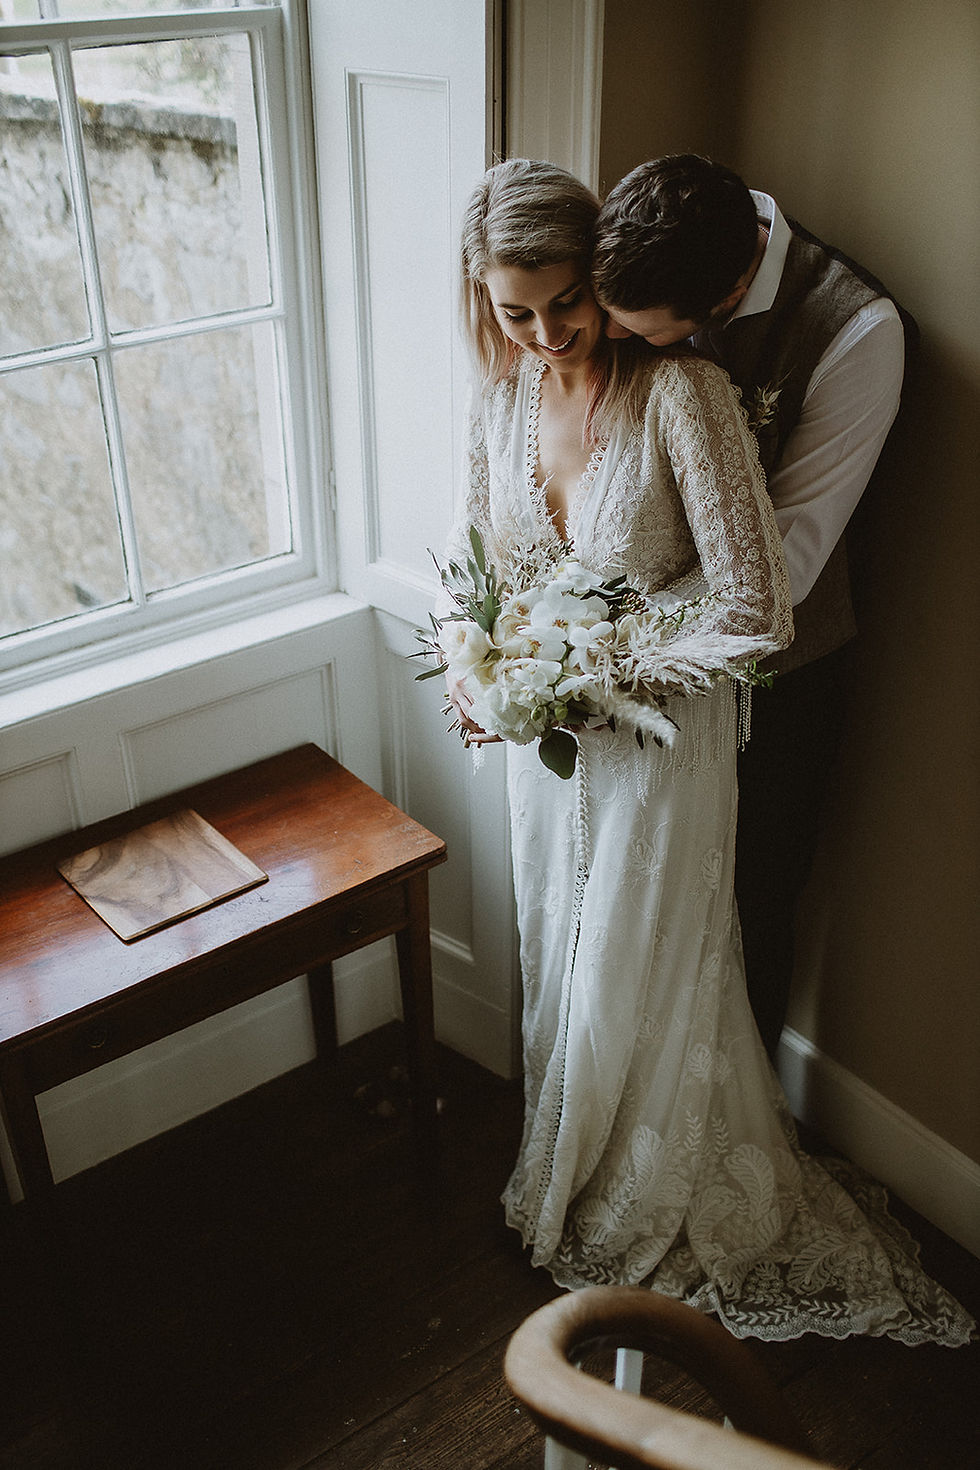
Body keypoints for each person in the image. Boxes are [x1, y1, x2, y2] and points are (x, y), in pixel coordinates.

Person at [438, 158, 973, 1347]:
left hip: (665, 731)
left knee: (651, 957)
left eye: (563, 304)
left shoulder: (688, 390)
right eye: (512, 312)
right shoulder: (498, 403)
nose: (543, 335)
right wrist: (484, 671)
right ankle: (563, 1158)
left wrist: (589, 670)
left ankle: (649, 1186)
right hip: (556, 746)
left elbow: (760, 597)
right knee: (564, 948)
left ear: (605, 280)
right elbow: (484, 571)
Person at [592, 154, 910, 1059]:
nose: (638, 354)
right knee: (636, 896)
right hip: (627, 650)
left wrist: (618, 644)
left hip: (781, 680)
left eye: (656, 340)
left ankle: (746, 1122)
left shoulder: (856, 334)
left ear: (730, 293)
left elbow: (792, 563)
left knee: (750, 900)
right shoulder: (656, 229)